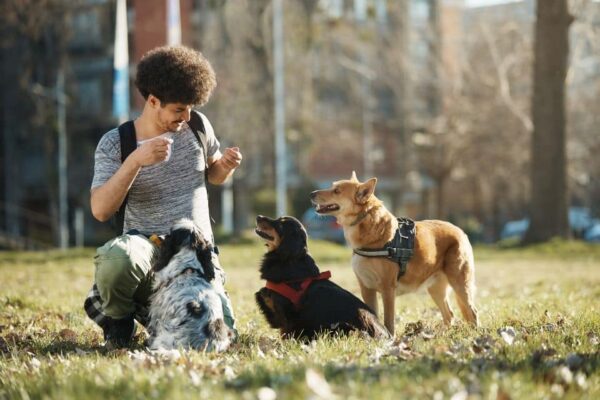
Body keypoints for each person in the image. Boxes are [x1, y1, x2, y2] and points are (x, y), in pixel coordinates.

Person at [83, 45, 242, 348]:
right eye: (178, 109)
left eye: (191, 108)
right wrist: (136, 161)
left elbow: (214, 175)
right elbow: (101, 210)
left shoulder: (197, 126)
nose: (186, 116)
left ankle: (165, 320)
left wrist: (225, 166)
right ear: (153, 101)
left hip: (197, 258)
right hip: (148, 255)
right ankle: (119, 323)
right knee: (118, 258)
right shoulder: (117, 143)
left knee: (220, 338)